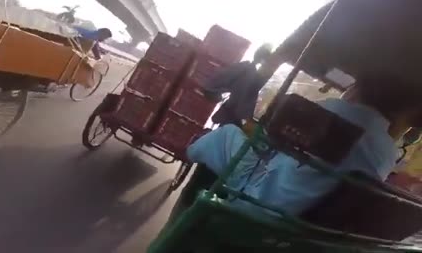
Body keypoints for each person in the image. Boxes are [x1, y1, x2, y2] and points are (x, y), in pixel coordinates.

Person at [171, 72, 422, 219]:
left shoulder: (327, 109)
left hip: (258, 201)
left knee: (226, 135)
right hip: (301, 221)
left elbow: (270, 144)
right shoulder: (387, 151)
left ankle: (191, 149)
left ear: (358, 90)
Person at [203, 44, 273, 127]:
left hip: (235, 118)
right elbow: (216, 84)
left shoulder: (248, 70)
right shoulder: (247, 70)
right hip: (232, 118)